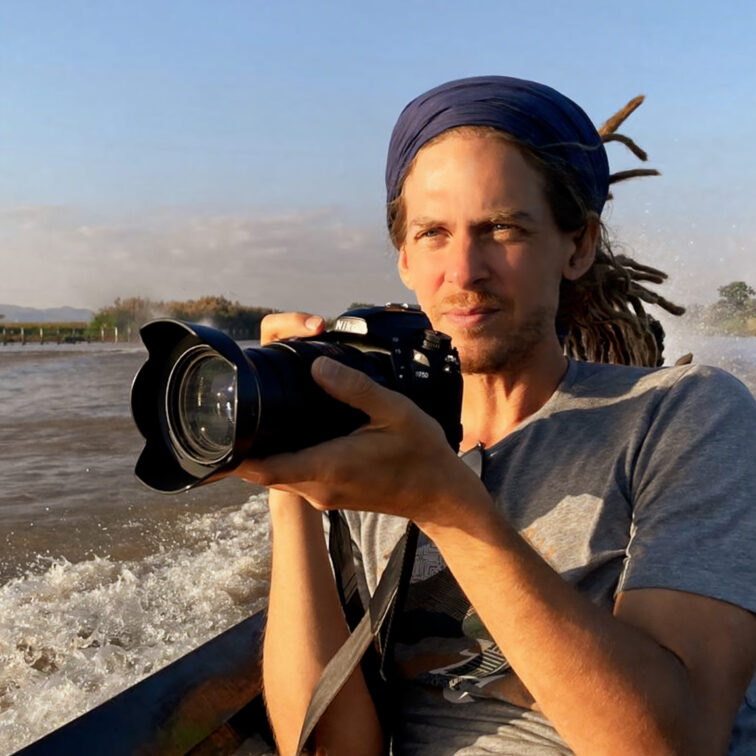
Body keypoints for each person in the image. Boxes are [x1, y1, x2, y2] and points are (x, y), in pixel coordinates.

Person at [235, 77, 756, 755]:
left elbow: (675, 744)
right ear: (403, 258)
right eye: (433, 233)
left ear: (578, 246)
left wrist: (444, 504)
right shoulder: (368, 450)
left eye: (502, 228)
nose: (464, 270)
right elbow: (335, 748)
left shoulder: (684, 415)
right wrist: (289, 480)